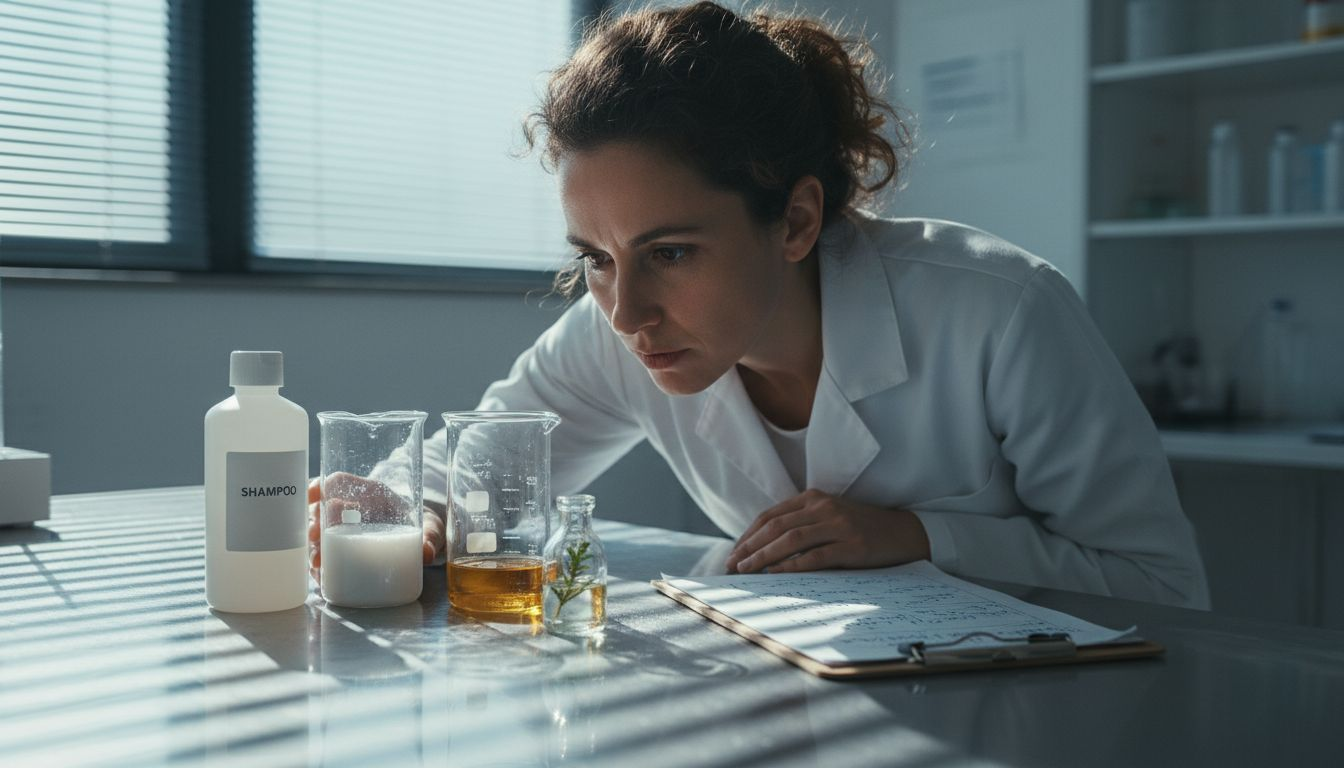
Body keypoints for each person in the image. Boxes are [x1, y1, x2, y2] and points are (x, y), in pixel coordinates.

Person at [310, 1, 1209, 608]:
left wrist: (916, 537)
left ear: (796, 218)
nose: (626, 313)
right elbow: (467, 470)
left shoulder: (1001, 312)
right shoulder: (616, 331)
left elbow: (1161, 584)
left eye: (670, 252)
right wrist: (401, 511)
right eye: (594, 259)